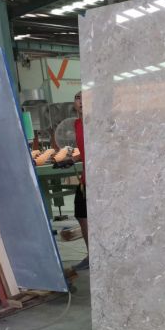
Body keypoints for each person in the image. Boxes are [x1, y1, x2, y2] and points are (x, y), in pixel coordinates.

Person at [73, 91, 89, 270]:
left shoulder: (97, 122)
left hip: (98, 178)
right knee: (81, 214)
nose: (81, 101)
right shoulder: (77, 124)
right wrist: (73, 159)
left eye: (84, 97)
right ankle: (92, 255)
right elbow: (85, 150)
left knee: (86, 215)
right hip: (86, 178)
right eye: (78, 98)